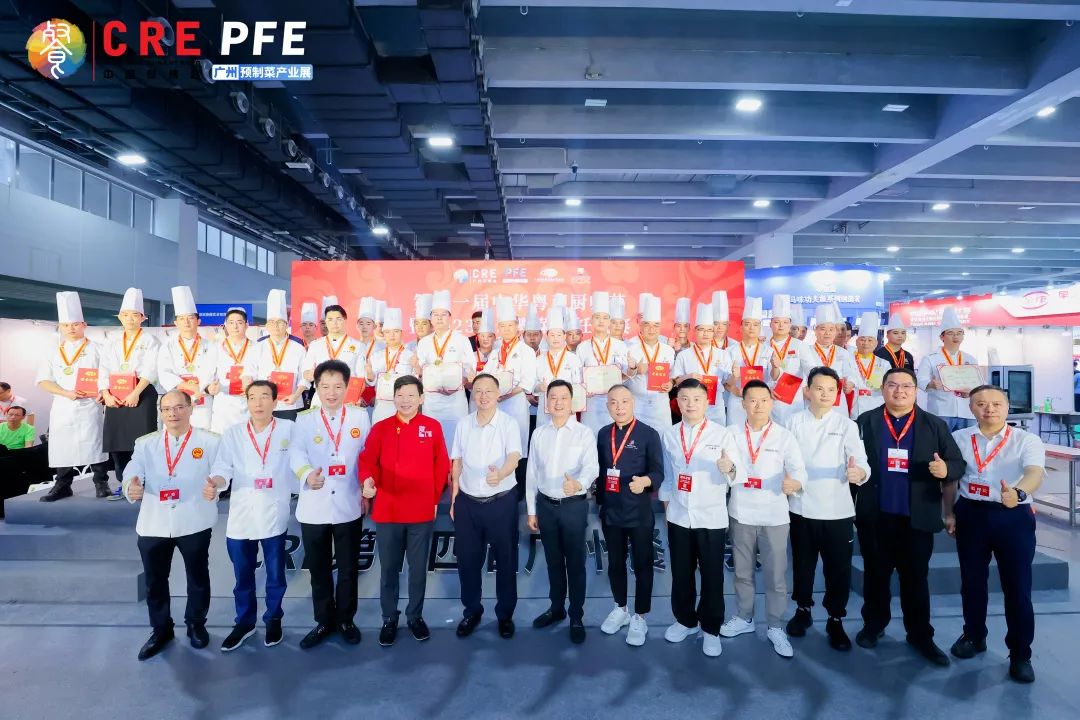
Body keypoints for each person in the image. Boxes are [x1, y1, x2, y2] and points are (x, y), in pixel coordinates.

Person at [854, 366, 965, 666]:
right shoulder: (865, 421)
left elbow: (957, 463)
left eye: (906, 386)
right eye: (892, 385)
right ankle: (873, 625)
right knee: (875, 575)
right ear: (882, 389)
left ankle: (920, 635)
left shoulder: (934, 425)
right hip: (876, 515)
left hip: (916, 518)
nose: (899, 391)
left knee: (915, 578)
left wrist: (946, 469)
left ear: (916, 391)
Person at [949, 385, 1044, 684]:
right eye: (981, 404)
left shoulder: (1026, 439)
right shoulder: (959, 438)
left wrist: (1018, 493)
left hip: (1012, 516)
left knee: (1017, 587)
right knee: (971, 582)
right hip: (971, 514)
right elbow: (951, 478)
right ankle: (974, 635)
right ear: (971, 408)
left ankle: (1020, 654)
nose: (989, 409)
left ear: (1007, 407)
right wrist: (948, 512)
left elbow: (1034, 472)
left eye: (996, 404)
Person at [122, 390, 221, 660]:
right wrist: (130, 485)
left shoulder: (210, 441)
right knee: (155, 580)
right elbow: (133, 468)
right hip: (154, 522)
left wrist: (217, 485)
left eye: (178, 407)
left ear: (190, 408)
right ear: (161, 413)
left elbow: (221, 471)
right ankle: (161, 629)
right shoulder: (146, 443)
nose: (172, 414)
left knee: (197, 576)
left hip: (194, 519)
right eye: (166, 409)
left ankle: (195, 623)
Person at [358, 375, 450, 647]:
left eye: (411, 395)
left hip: (421, 511)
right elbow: (367, 460)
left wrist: (433, 498)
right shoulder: (381, 428)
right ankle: (389, 618)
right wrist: (367, 481)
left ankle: (415, 616)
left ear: (421, 398)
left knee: (418, 569)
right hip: (388, 511)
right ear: (394, 398)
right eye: (400, 395)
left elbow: (441, 465)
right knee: (389, 569)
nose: (405, 400)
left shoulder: (432, 427)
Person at [720, 380, 807, 658]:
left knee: (776, 575)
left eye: (764, 400)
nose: (758, 405)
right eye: (752, 400)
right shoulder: (731, 434)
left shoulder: (784, 436)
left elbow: (799, 470)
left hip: (774, 515)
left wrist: (795, 483)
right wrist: (727, 468)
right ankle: (744, 617)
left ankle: (775, 625)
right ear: (743, 403)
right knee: (742, 572)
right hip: (741, 511)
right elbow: (728, 470)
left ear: (772, 403)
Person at [205, 380, 294, 651]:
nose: (258, 403)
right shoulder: (233, 433)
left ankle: (274, 619)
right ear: (246, 402)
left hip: (273, 512)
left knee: (275, 575)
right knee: (242, 576)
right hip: (241, 515)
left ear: (275, 402)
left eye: (265, 396)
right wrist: (216, 482)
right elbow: (223, 468)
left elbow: (300, 462)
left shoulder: (289, 429)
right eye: (252, 397)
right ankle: (244, 622)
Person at [289, 359, 372, 649]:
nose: (331, 393)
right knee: (319, 569)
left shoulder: (360, 417)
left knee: (348, 568)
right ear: (316, 387)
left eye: (338, 387)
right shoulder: (305, 419)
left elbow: (367, 455)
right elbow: (296, 454)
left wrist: (366, 489)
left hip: (349, 502)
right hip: (315, 504)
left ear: (347, 387)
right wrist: (306, 474)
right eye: (325, 387)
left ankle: (346, 620)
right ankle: (324, 621)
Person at [660, 378, 746, 657]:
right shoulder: (670, 434)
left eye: (696, 399)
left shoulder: (722, 434)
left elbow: (738, 475)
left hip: (710, 516)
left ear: (707, 402)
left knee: (712, 575)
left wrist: (728, 467)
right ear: (677, 402)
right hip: (679, 515)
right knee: (681, 573)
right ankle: (685, 620)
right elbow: (669, 476)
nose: (690, 404)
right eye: (684, 399)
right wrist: (668, 508)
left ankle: (711, 628)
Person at [786, 367, 870, 651]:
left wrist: (859, 473)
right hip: (802, 506)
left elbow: (861, 461)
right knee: (803, 565)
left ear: (837, 394)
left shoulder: (846, 425)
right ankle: (803, 610)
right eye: (819, 388)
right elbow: (785, 460)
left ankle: (835, 618)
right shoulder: (793, 422)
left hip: (837, 510)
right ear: (807, 391)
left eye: (831, 389)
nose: (825, 394)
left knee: (838, 569)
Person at [525, 380, 599, 643]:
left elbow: (592, 467)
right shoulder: (539, 434)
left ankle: (576, 615)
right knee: (553, 562)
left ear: (572, 402)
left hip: (573, 507)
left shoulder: (583, 433)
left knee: (575, 564)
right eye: (553, 397)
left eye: (563, 397)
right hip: (546, 507)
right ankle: (556, 608)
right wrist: (531, 510)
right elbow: (531, 473)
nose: (558, 402)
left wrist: (578, 483)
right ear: (547, 402)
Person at [450, 373, 522, 640]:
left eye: (488, 391)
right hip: (468, 503)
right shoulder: (463, 424)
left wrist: (500, 474)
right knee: (467, 561)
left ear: (498, 394)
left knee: (506, 560)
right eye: (478, 391)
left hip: (501, 501)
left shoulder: (508, 423)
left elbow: (514, 457)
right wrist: (454, 496)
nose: (482, 396)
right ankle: (472, 611)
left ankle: (505, 615)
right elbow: (457, 461)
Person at [596, 384, 664, 646]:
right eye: (613, 402)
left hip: (638, 512)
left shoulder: (648, 434)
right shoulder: (604, 434)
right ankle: (620, 608)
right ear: (607, 406)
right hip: (611, 511)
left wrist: (645, 482)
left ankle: (640, 616)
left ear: (633, 403)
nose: (619, 407)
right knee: (615, 563)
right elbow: (601, 471)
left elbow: (658, 472)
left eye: (624, 401)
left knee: (643, 564)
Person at [36, 291, 111, 501]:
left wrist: (102, 392)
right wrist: (65, 393)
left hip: (91, 404)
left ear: (84, 325)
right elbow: (43, 380)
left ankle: (101, 482)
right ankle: (63, 484)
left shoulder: (99, 349)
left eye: (75, 324)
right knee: (62, 445)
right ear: (60, 327)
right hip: (63, 404)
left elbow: (108, 376)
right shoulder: (52, 352)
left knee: (95, 442)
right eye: (66, 325)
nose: (71, 328)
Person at [100, 288, 160, 501]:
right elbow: (103, 368)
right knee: (118, 442)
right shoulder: (112, 340)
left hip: (142, 394)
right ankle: (123, 483)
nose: (130, 319)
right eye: (125, 315)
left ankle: (145, 483)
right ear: (120, 317)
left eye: (135, 315)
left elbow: (151, 369)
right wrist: (106, 394)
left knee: (143, 441)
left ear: (143, 318)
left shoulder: (151, 340)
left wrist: (135, 393)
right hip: (115, 396)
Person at [415, 289, 476, 454]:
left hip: (455, 401)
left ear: (450, 318)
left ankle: (454, 470)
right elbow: (418, 372)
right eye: (435, 314)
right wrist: (417, 369)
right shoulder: (424, 342)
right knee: (431, 444)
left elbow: (470, 368)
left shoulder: (461, 340)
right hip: (431, 402)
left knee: (456, 444)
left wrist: (464, 380)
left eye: (443, 314)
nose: (439, 318)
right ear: (431, 318)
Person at [484, 297, 537, 483]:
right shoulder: (495, 352)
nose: (506, 329)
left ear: (517, 326)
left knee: (517, 446)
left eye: (510, 325)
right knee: (497, 445)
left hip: (515, 405)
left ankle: (519, 488)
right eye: (502, 326)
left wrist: (508, 394)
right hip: (496, 406)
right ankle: (499, 481)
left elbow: (528, 381)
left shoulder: (526, 351)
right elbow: (487, 376)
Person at [158, 286, 218, 430]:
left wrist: (200, 388)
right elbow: (164, 373)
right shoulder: (167, 346)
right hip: (176, 401)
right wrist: (187, 386)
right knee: (175, 436)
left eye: (190, 318)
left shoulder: (211, 346)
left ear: (198, 321)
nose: (186, 322)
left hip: (202, 400)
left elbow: (212, 371)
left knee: (203, 436)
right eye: (181, 318)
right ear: (176, 323)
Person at [917, 307, 977, 432]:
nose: (956, 336)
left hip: (967, 410)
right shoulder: (930, 358)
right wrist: (931, 384)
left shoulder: (970, 359)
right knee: (941, 441)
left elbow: (978, 383)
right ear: (942, 337)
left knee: (967, 442)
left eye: (959, 333)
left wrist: (971, 391)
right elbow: (920, 379)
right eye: (951, 333)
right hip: (941, 410)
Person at [578, 292, 628, 434]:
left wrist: (631, 368)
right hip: (591, 402)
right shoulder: (583, 347)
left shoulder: (620, 345)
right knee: (590, 437)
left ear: (609, 321)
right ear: (591, 320)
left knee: (614, 439)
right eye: (597, 317)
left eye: (605, 318)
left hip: (614, 401)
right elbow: (577, 376)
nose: (601, 321)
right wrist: (583, 388)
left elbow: (626, 374)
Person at [672, 302, 730, 425]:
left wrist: (735, 375)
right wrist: (688, 377)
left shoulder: (723, 354)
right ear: (695, 330)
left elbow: (728, 382)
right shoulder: (684, 355)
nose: (706, 333)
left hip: (716, 406)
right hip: (692, 406)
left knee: (718, 434)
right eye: (702, 329)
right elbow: (676, 381)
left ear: (713, 332)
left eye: (709, 330)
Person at [796, 302, 858, 418]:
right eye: (823, 329)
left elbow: (851, 373)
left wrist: (850, 383)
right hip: (813, 399)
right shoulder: (805, 351)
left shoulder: (843, 353)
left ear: (835, 332)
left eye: (831, 329)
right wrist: (805, 391)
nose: (827, 333)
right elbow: (799, 374)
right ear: (815, 331)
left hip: (838, 402)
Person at [254, 289, 308, 421]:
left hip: (291, 404)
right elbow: (251, 374)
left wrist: (296, 395)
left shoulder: (298, 347)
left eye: (280, 322)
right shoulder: (258, 346)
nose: (276, 326)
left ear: (286, 324)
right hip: (264, 405)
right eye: (272, 322)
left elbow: (305, 376)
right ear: (267, 325)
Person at [627, 294, 676, 432]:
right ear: (641, 326)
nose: (651, 329)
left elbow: (673, 376)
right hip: (637, 405)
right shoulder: (630, 348)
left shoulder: (668, 350)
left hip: (660, 407)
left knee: (662, 440)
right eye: (647, 325)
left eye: (656, 325)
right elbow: (622, 377)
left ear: (660, 327)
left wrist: (671, 383)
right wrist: (635, 369)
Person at [725, 297, 775, 428]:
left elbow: (773, 377)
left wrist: (776, 367)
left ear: (760, 327)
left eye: (756, 324)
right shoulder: (730, 351)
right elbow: (724, 381)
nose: (751, 328)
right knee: (735, 433)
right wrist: (734, 388)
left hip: (760, 403)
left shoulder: (768, 351)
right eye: (747, 324)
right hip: (737, 400)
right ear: (741, 327)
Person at [302, 303, 361, 408]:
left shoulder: (358, 346)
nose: (334, 323)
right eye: (330, 319)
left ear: (345, 320)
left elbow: (361, 377)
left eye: (338, 319)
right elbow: (306, 373)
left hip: (347, 398)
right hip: (320, 398)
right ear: (325, 322)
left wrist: (356, 396)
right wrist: (312, 374)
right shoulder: (315, 345)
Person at [535, 306, 583, 425]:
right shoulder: (539, 360)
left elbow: (579, 385)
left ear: (564, 336)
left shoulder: (574, 359)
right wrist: (539, 387)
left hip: (567, 410)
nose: (555, 338)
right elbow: (533, 386)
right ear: (546, 337)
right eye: (552, 335)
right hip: (544, 410)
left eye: (559, 335)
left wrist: (576, 405)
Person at [209, 308, 255, 434]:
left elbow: (262, 374)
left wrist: (252, 385)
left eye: (239, 322)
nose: (235, 326)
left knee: (248, 438)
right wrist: (210, 387)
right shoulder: (216, 347)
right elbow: (208, 374)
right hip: (224, 403)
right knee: (222, 440)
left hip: (248, 402)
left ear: (246, 325)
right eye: (231, 322)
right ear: (225, 325)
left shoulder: (256, 347)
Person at [367, 308, 416, 425]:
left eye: (396, 331)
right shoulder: (376, 356)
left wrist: (417, 368)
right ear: (383, 334)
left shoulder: (411, 356)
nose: (392, 335)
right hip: (381, 407)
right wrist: (369, 374)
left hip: (403, 408)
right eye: (388, 332)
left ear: (402, 333)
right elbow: (371, 382)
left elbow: (415, 383)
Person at [766, 294, 804, 426]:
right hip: (769, 397)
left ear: (790, 325)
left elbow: (812, 370)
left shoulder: (800, 346)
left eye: (785, 322)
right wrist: (765, 390)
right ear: (770, 324)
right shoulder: (763, 346)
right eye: (777, 322)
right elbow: (759, 375)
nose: (781, 326)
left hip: (794, 400)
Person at [851, 312, 887, 418]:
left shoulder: (884, 364)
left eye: (870, 340)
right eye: (862, 339)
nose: (866, 343)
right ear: (856, 342)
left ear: (876, 344)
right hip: (854, 407)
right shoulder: (848, 360)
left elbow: (888, 385)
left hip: (876, 406)